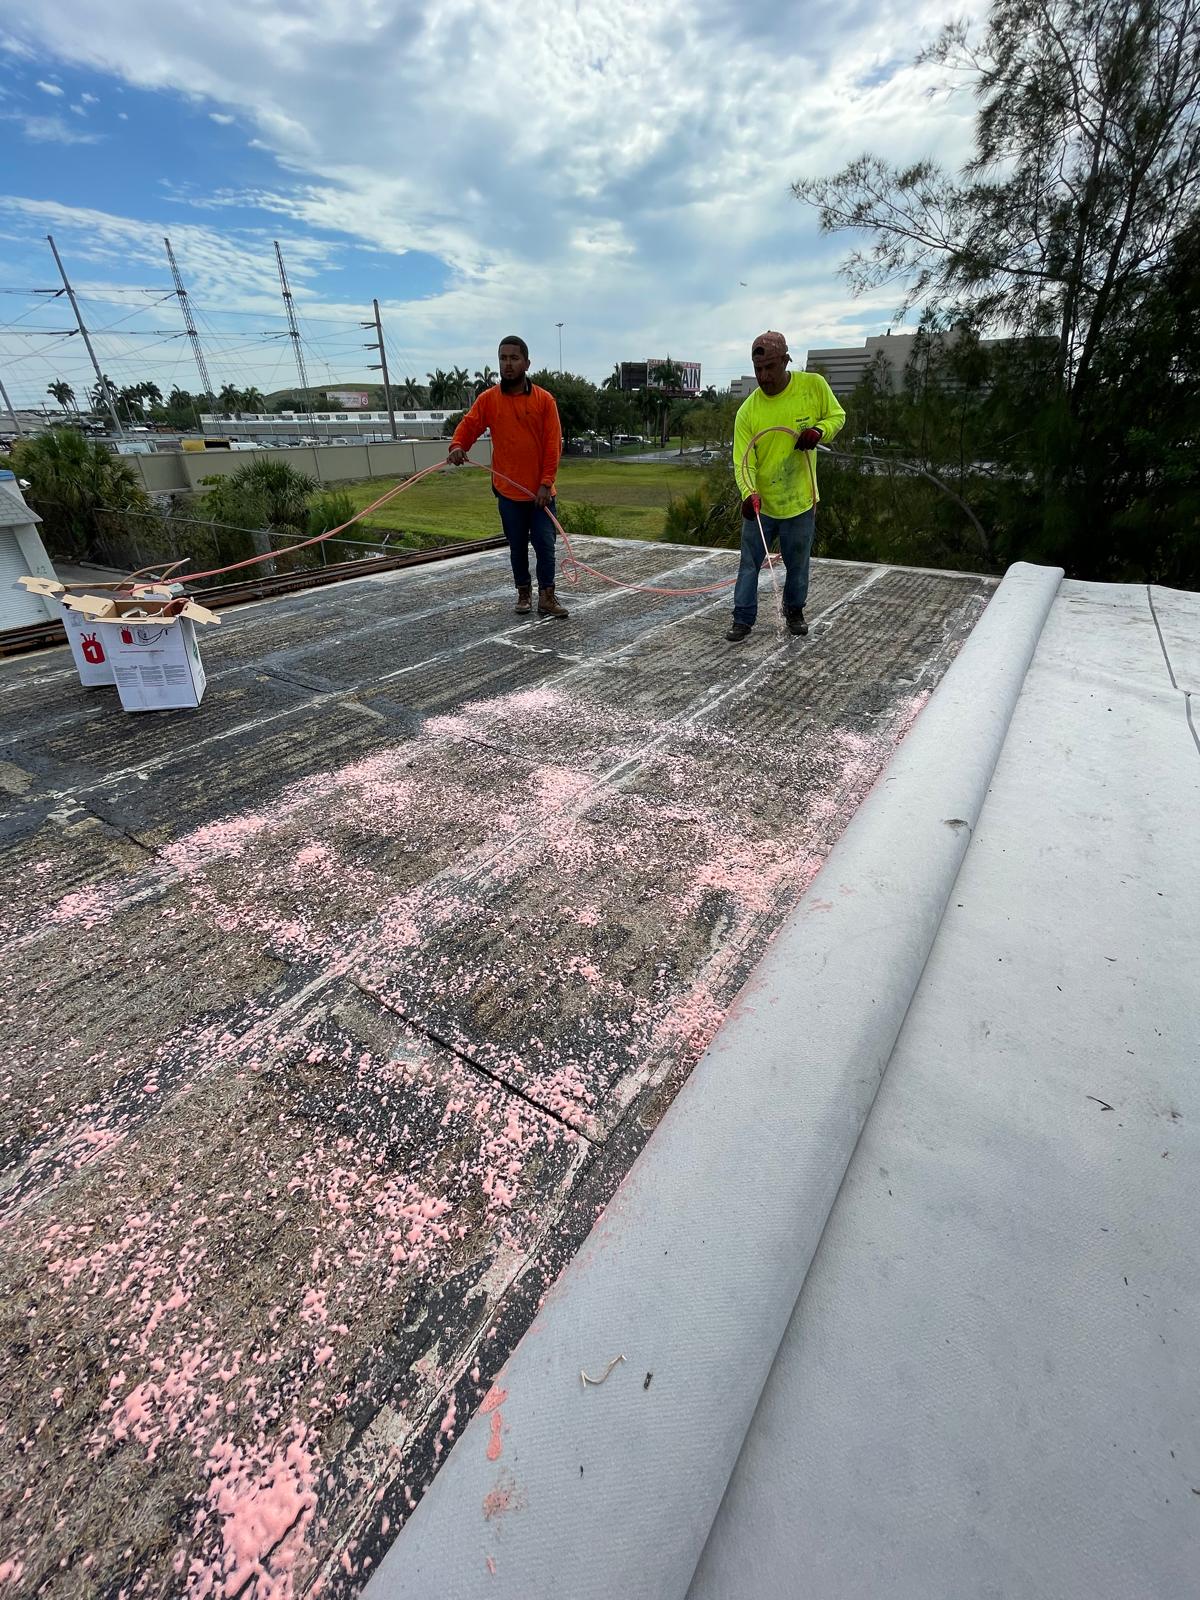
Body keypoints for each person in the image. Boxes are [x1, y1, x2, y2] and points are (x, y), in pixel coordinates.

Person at [727, 330, 845, 642]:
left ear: (785, 361)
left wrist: (819, 431)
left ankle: (794, 611)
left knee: (798, 563)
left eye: (770, 368)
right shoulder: (748, 411)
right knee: (749, 562)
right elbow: (743, 459)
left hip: (800, 499)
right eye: (758, 370)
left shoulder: (812, 386)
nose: (764, 376)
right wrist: (748, 492)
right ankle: (742, 618)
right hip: (762, 503)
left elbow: (837, 416)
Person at [448, 336, 568, 618]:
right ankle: (523, 594)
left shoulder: (544, 400)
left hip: (540, 495)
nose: (508, 364)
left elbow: (553, 445)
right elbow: (470, 425)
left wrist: (545, 483)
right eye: (503, 358)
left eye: (514, 358)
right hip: (508, 492)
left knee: (545, 546)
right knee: (517, 547)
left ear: (527, 363)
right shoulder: (489, 400)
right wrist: (457, 446)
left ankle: (547, 598)